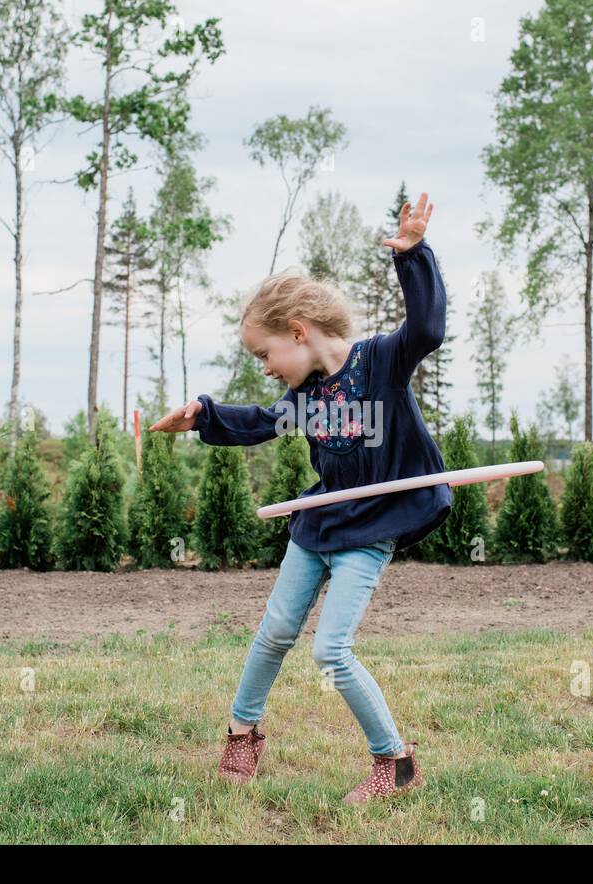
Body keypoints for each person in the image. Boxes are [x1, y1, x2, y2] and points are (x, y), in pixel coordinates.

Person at [150, 192, 450, 804]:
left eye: (265, 354)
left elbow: (426, 328)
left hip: (369, 530)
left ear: (297, 331)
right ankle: (242, 729)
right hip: (319, 523)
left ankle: (394, 762)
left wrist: (413, 257)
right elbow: (260, 422)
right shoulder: (304, 397)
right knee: (275, 631)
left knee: (332, 650)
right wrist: (203, 415)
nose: (263, 367)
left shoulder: (380, 363)